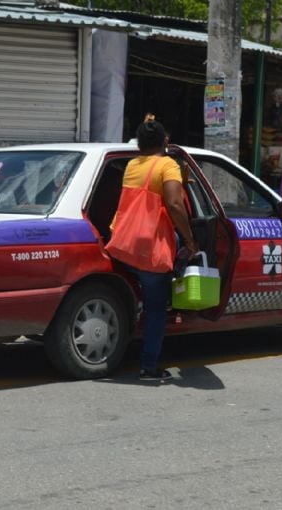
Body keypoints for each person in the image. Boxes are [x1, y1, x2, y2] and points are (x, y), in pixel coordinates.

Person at [112, 119, 198, 381]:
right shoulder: (167, 164)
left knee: (146, 297)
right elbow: (173, 203)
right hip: (150, 248)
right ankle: (149, 367)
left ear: (140, 144)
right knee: (156, 309)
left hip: (125, 245)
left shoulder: (131, 166)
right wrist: (191, 241)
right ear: (165, 142)